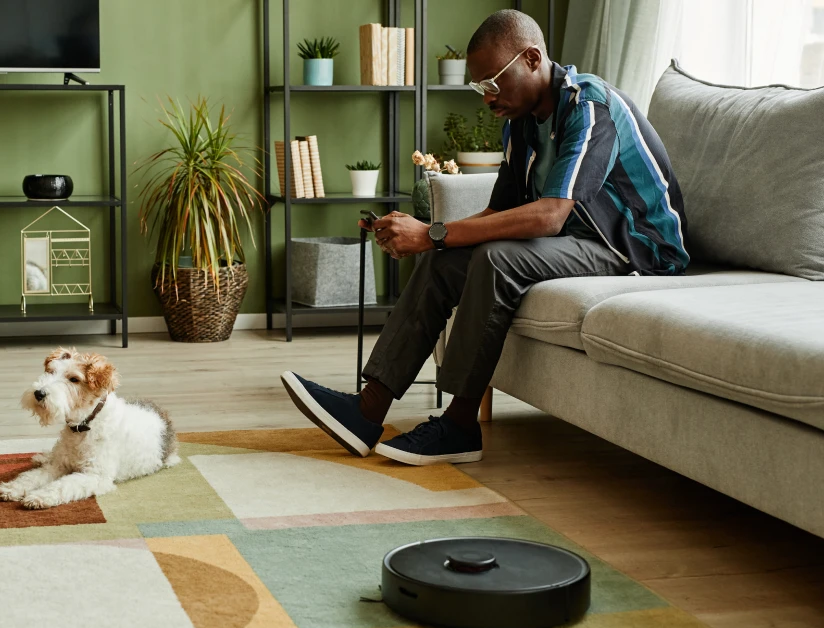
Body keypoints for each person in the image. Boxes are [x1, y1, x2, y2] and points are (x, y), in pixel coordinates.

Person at [281, 9, 688, 466]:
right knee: (444, 258)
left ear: (532, 58)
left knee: (495, 258)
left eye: (493, 82)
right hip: (579, 238)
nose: (487, 98)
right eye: (480, 87)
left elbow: (551, 216)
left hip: (636, 247)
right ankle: (367, 408)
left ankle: (458, 424)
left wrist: (433, 231)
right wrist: (432, 241)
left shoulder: (590, 108)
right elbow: (500, 210)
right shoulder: (520, 122)